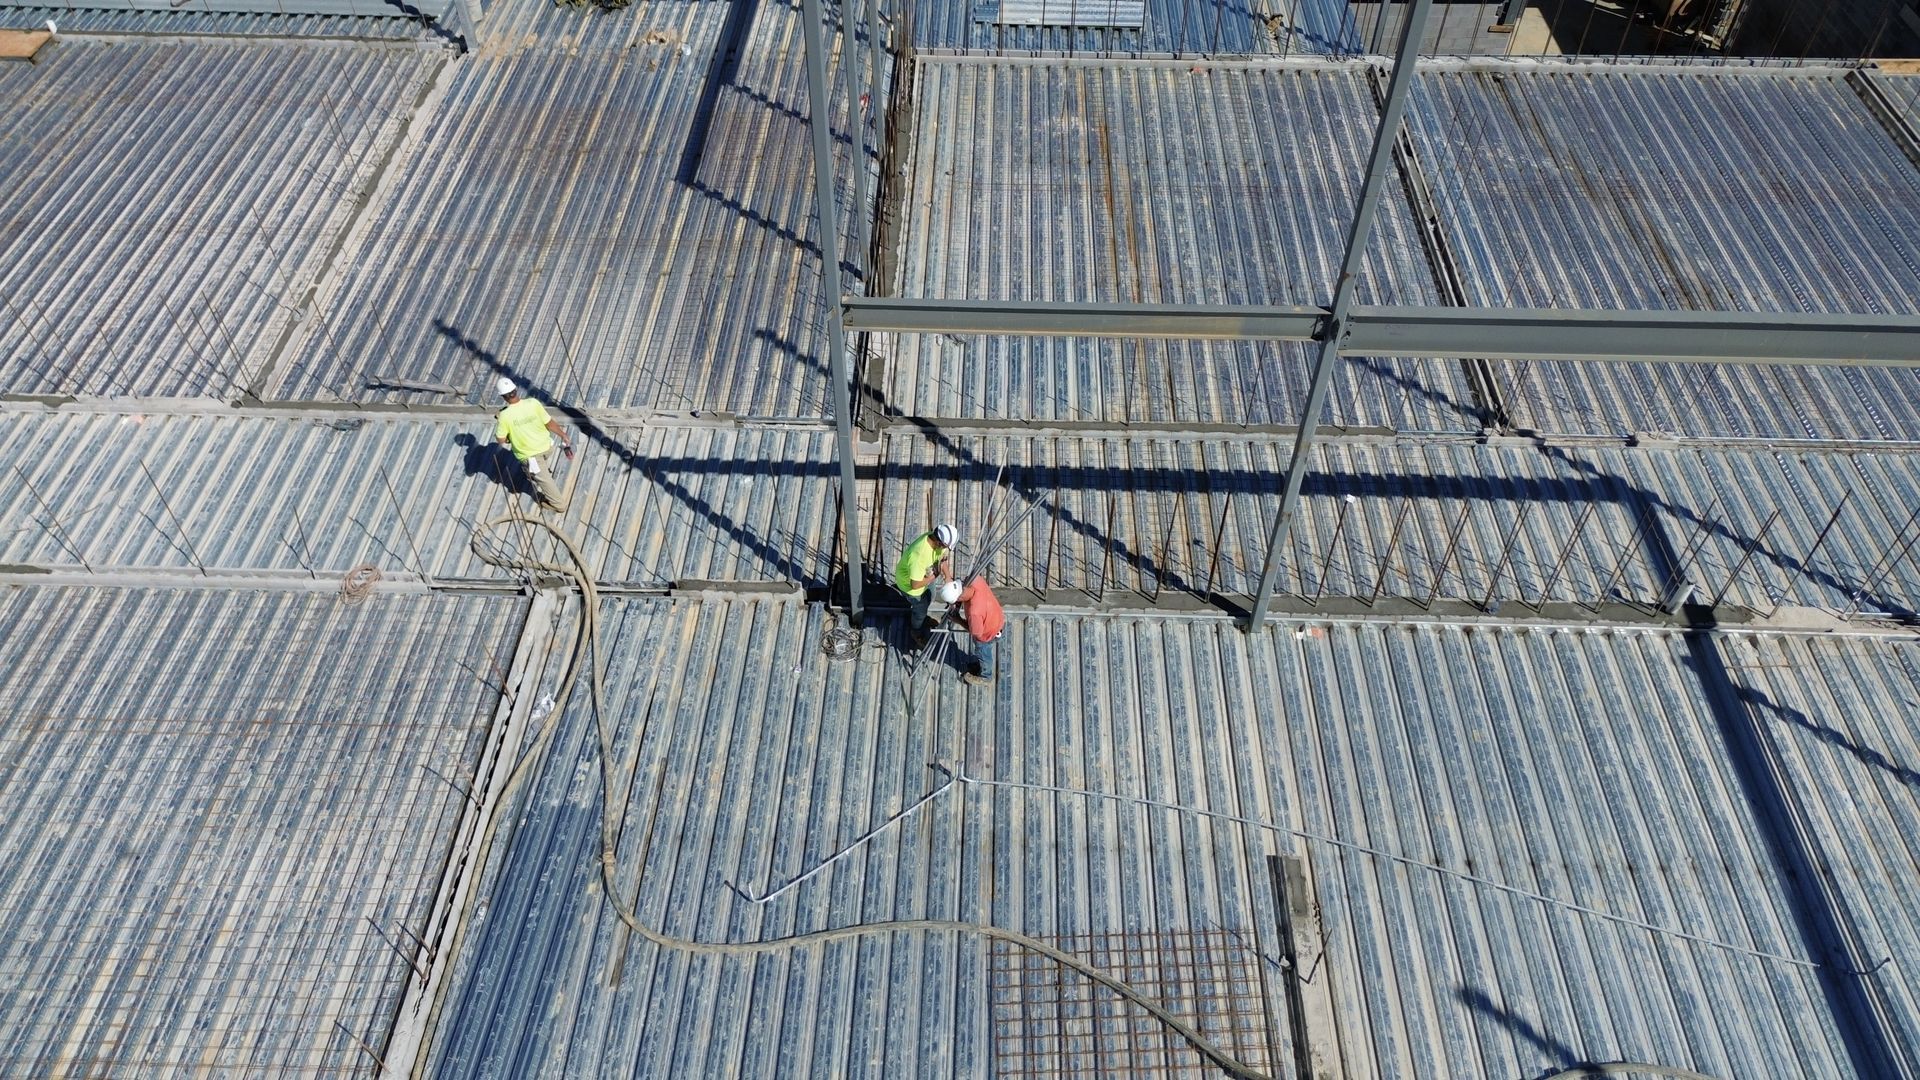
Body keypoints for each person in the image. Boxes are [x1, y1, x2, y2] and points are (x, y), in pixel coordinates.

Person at [493, 378, 574, 512]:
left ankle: (558, 505)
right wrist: (563, 434)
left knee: (546, 484)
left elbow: (501, 440)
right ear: (515, 390)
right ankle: (537, 472)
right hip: (547, 447)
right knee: (537, 467)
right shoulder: (533, 403)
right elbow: (549, 422)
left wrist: (507, 433)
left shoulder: (504, 416)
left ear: (502, 396)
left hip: (531, 458)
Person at [894, 523, 955, 647]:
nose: (946, 549)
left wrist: (948, 578)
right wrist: (934, 577)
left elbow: (942, 560)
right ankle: (916, 631)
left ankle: (921, 618)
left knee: (930, 597)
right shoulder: (918, 556)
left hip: (926, 578)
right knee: (920, 610)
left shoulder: (936, 539)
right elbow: (915, 585)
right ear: (940, 543)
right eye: (947, 546)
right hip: (912, 588)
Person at [945, 577, 1004, 686]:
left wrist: (958, 620)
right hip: (996, 617)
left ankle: (986, 676)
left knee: (983, 653)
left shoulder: (974, 612)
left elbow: (976, 633)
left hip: (988, 632)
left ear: (959, 596)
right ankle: (981, 666)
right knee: (984, 654)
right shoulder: (975, 580)